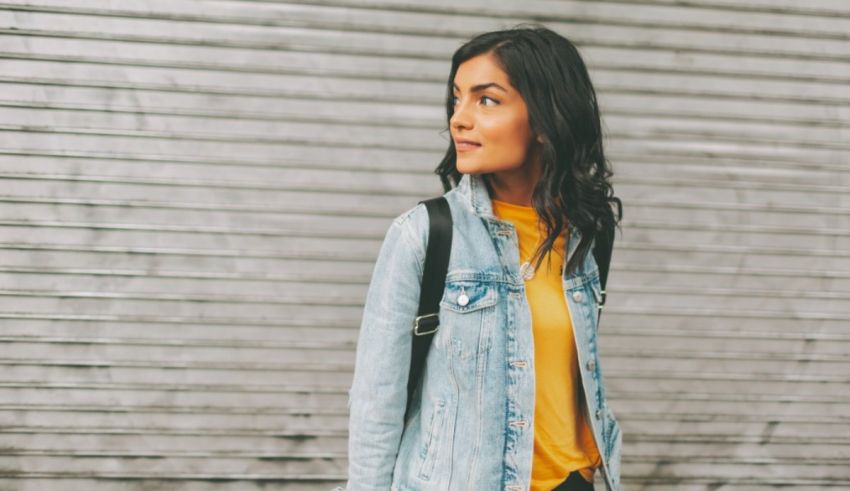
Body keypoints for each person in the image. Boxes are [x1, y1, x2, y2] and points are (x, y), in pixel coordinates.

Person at [333, 24, 623, 491]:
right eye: (457, 98)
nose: (459, 119)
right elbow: (376, 401)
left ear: (547, 121)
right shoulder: (425, 234)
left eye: (486, 100)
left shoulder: (588, 235)